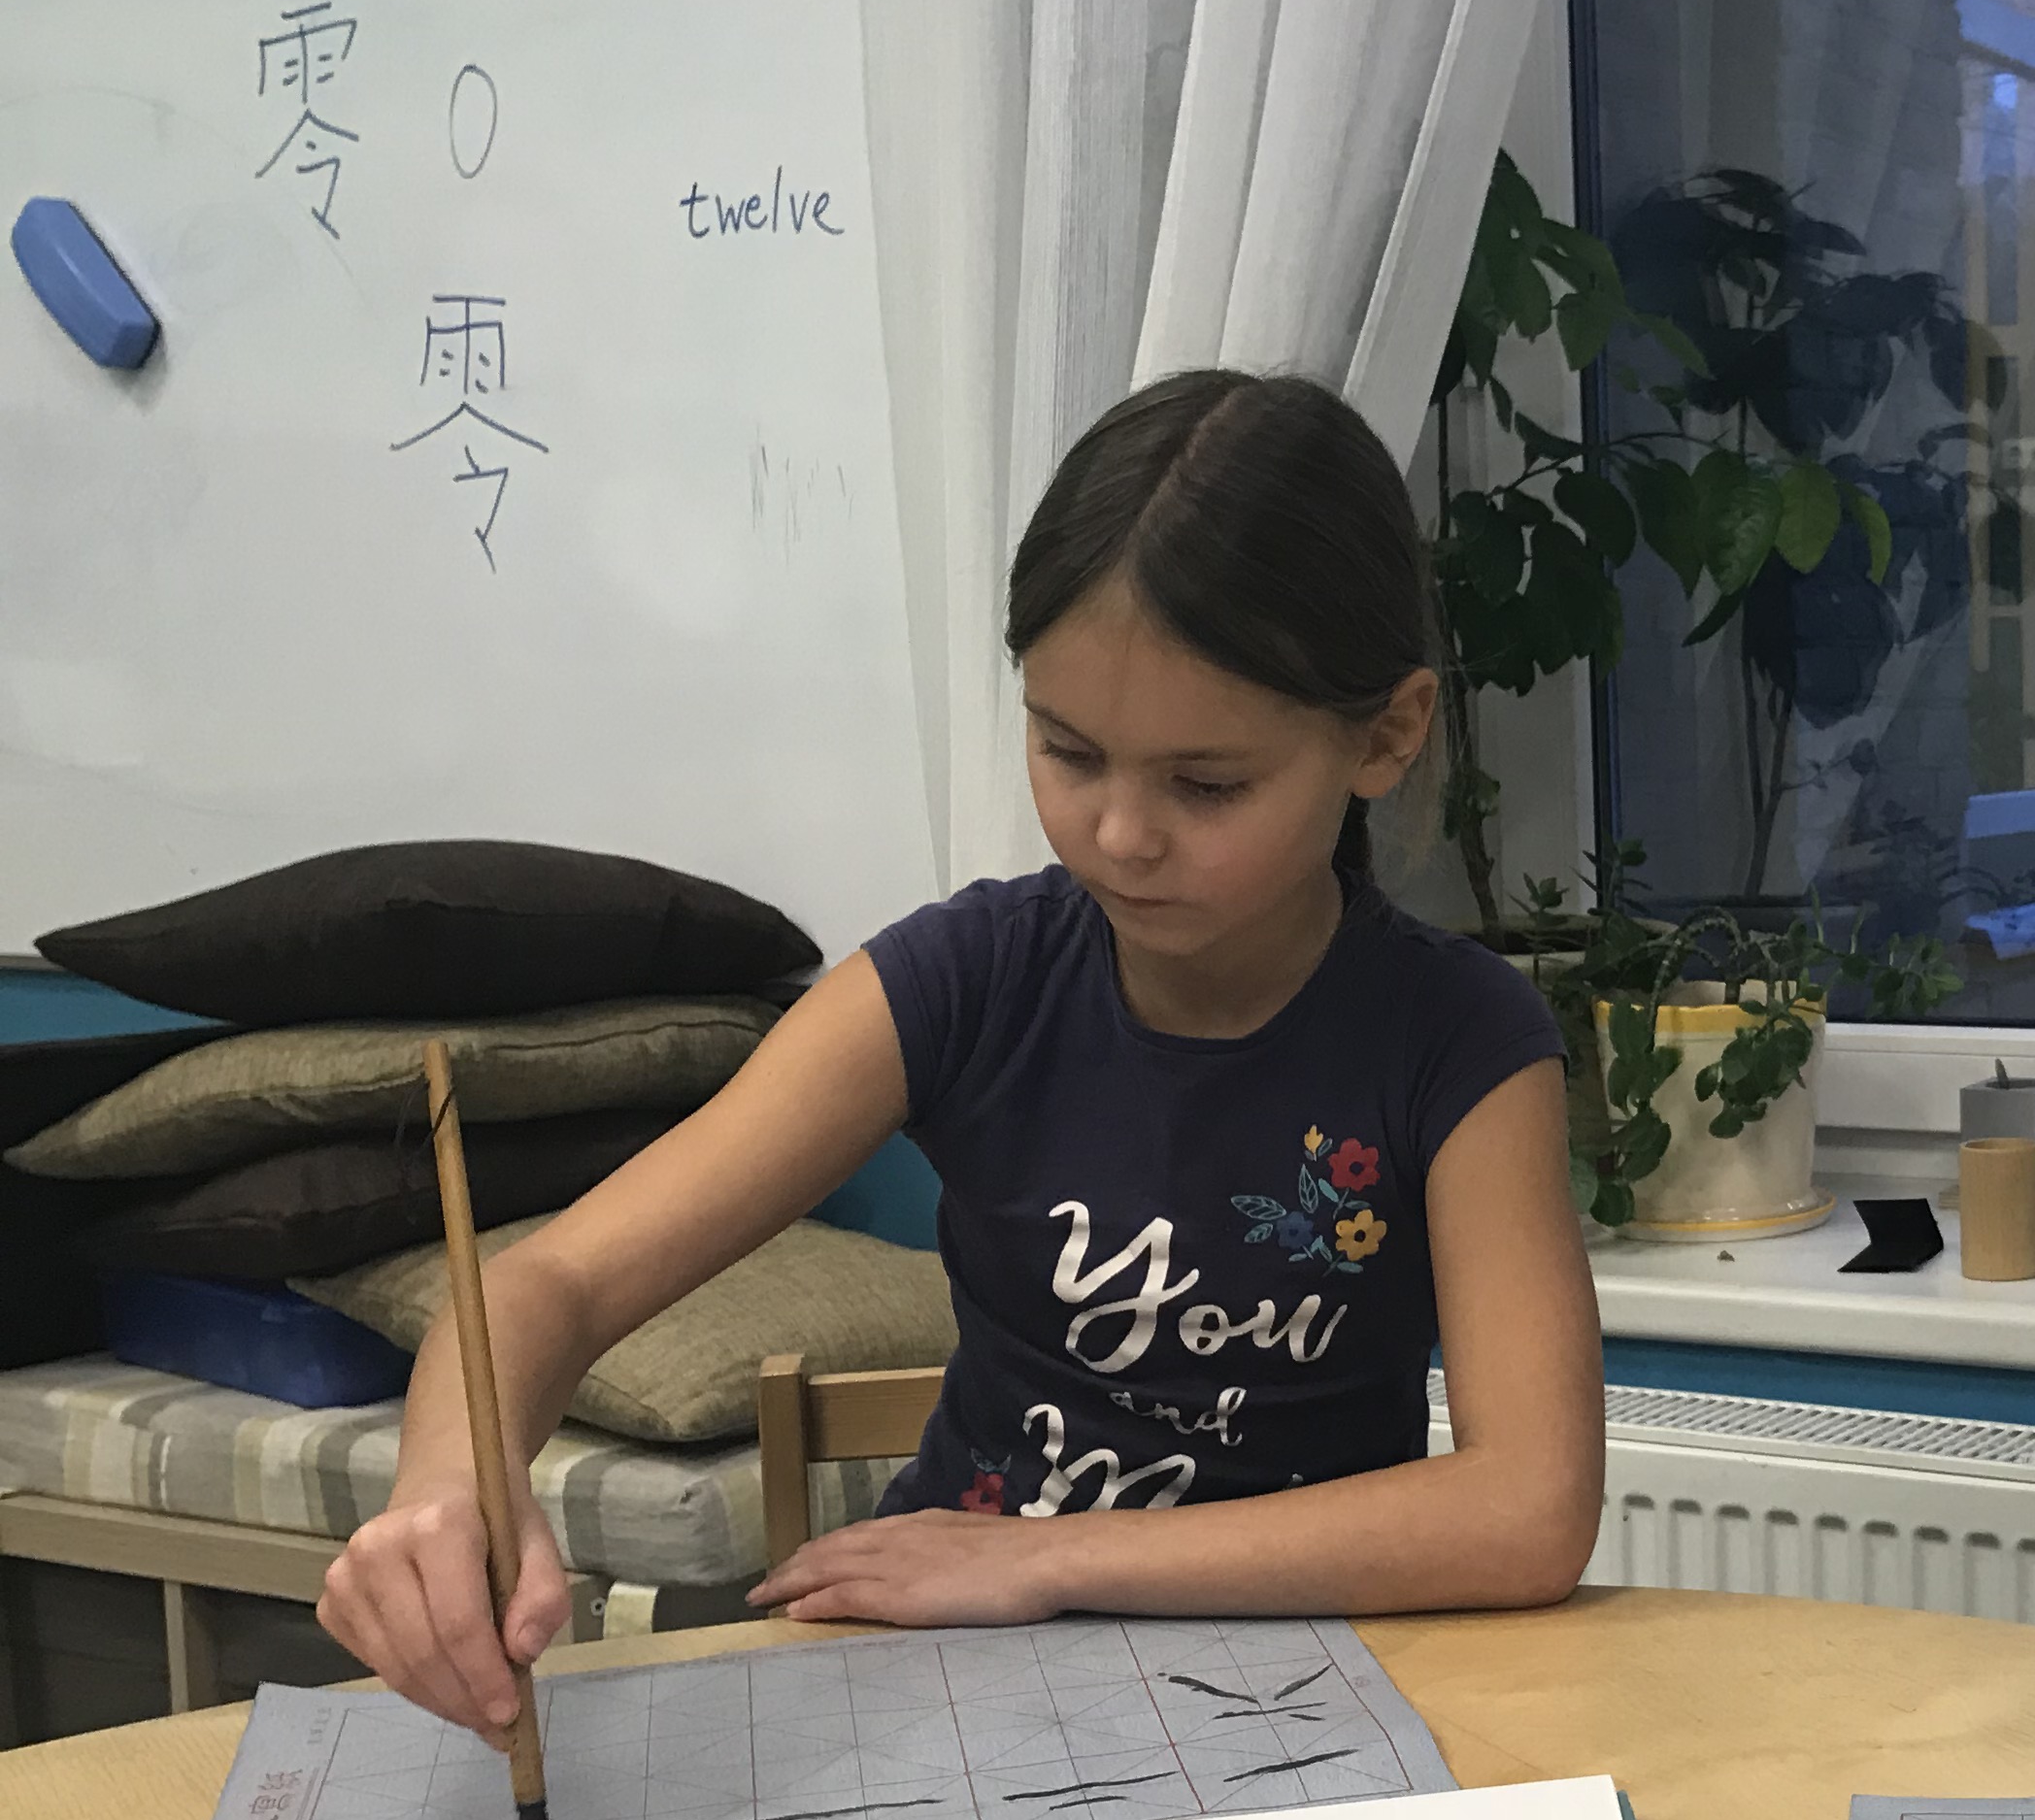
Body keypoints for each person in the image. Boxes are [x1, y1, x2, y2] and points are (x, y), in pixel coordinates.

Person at [322, 371, 1604, 1731]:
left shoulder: (1460, 1043)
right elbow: (549, 1284)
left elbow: (1527, 1509)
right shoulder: (967, 981)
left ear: (1385, 735)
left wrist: (1045, 1560)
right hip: (948, 1681)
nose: (1121, 835)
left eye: (1207, 784)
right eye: (1069, 752)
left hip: (1291, 1688)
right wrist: (448, 1489)